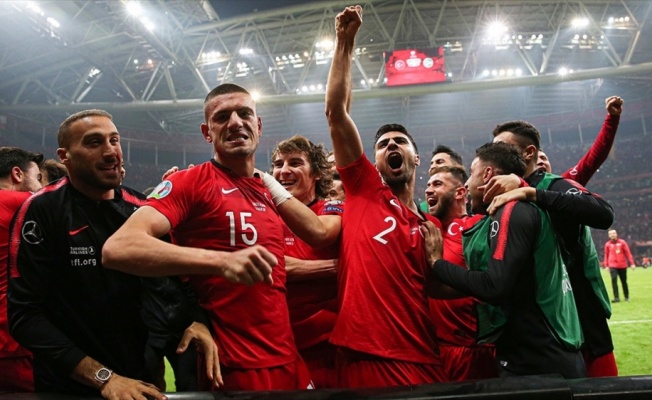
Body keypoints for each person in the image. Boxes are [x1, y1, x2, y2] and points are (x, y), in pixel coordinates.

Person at [103, 84, 330, 391]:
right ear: (206, 133)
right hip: (234, 366)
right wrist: (221, 261)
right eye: (222, 117)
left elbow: (318, 233)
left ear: (258, 125)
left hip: (289, 359)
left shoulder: (267, 191)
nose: (235, 122)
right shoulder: (191, 182)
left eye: (244, 114)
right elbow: (119, 247)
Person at [7, 110, 218, 399]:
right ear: (65, 156)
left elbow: (175, 281)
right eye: (94, 142)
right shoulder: (41, 210)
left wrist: (196, 320)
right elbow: (24, 316)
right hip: (69, 388)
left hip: (140, 383)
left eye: (114, 140)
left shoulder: (140, 209)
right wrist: (104, 378)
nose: (111, 152)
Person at [323, 5, 445, 387]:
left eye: (400, 141)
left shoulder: (433, 226)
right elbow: (336, 113)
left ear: (416, 157)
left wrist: (437, 262)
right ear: (373, 161)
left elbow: (441, 289)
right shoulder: (363, 189)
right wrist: (345, 43)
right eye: (383, 144)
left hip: (426, 359)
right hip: (367, 358)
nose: (391, 145)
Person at [425, 141, 585, 379]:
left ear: (487, 174)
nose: (467, 184)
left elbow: (493, 286)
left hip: (539, 356)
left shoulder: (512, 210)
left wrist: (437, 263)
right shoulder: (521, 209)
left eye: (472, 173)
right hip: (538, 349)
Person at [487, 119, 617, 378]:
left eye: (502, 147)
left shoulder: (553, 185)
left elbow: (603, 213)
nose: (495, 153)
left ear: (529, 153)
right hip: (530, 334)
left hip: (580, 321)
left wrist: (531, 193)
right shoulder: (494, 196)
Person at [271, 135, 342, 388]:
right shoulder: (263, 214)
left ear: (317, 174)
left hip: (327, 347)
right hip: (279, 344)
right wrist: (336, 267)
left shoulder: (332, 208)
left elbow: (321, 233)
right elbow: (273, 266)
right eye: (278, 164)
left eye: (295, 163)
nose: (283, 171)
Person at [424, 166, 497, 381]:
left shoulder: (480, 226)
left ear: (460, 192)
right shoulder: (426, 229)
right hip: (433, 348)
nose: (428, 189)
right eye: (428, 184)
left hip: (472, 349)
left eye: (437, 184)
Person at [0, 146, 43, 392]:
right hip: (12, 344)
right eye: (38, 178)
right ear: (17, 174)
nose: (41, 186)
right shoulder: (23, 203)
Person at [536, 96, 624, 185]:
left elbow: (594, 157)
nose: (541, 162)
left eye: (543, 158)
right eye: (534, 160)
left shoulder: (564, 184)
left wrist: (612, 118)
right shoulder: (525, 191)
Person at [419, 144, 464, 213]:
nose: (433, 167)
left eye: (439, 162)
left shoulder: (474, 202)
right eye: (431, 164)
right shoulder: (422, 209)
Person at [604, 229, 635, 302]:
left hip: (622, 265)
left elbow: (628, 253)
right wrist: (606, 265)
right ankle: (616, 298)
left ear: (616, 234)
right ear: (609, 236)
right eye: (611, 234)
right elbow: (606, 255)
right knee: (614, 280)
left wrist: (632, 263)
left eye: (614, 233)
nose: (612, 235)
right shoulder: (607, 244)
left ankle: (626, 297)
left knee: (624, 281)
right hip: (612, 265)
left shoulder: (622, 242)